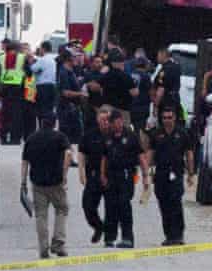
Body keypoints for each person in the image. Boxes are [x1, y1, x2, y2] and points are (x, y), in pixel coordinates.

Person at [21, 114, 72, 258]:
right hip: (56, 182)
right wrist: (64, 173)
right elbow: (68, 154)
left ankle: (43, 248)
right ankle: (58, 243)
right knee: (62, 209)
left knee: (41, 215)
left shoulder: (31, 138)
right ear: (55, 123)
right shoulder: (60, 137)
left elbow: (25, 162)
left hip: (37, 183)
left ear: (41, 123)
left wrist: (23, 182)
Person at [145, 106, 194, 246]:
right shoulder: (156, 134)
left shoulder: (183, 133)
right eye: (164, 118)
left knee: (175, 202)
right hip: (160, 174)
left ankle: (178, 235)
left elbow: (189, 154)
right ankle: (169, 235)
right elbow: (150, 153)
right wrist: (146, 172)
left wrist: (191, 174)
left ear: (175, 118)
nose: (167, 120)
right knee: (164, 204)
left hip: (176, 173)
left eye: (169, 117)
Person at [100, 110, 148, 248]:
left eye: (115, 121)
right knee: (110, 206)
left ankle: (127, 238)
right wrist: (102, 175)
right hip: (111, 176)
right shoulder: (107, 137)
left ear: (120, 121)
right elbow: (104, 157)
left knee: (124, 205)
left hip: (126, 175)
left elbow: (141, 157)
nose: (113, 125)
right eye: (111, 122)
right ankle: (110, 238)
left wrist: (145, 177)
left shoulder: (131, 136)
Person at [79, 105, 112, 244]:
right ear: (98, 119)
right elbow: (81, 153)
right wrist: (81, 173)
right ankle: (98, 227)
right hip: (94, 174)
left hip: (111, 175)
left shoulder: (116, 134)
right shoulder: (89, 135)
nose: (105, 122)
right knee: (88, 206)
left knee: (111, 207)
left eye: (107, 119)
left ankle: (110, 237)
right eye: (102, 119)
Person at [94, 50, 138, 130]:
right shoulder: (127, 77)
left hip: (107, 108)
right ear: (122, 63)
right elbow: (134, 93)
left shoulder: (106, 75)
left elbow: (96, 87)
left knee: (105, 131)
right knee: (122, 133)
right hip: (122, 111)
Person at [0, 41, 31, 144]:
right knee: (16, 115)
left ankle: (3, 138)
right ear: (17, 48)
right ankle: (15, 138)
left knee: (5, 114)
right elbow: (29, 72)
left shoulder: (1, 57)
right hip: (17, 87)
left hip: (4, 87)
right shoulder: (22, 57)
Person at [57, 51, 85, 155]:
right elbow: (65, 92)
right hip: (66, 109)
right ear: (68, 59)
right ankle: (65, 157)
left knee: (74, 136)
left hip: (73, 109)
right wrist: (81, 94)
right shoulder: (64, 73)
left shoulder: (71, 71)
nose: (77, 59)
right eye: (75, 57)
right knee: (66, 136)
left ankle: (69, 157)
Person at [32, 41, 59, 120]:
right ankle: (49, 127)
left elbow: (33, 69)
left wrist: (31, 62)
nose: (39, 50)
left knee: (42, 111)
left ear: (43, 49)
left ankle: (42, 129)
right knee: (49, 110)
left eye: (40, 48)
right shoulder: (53, 60)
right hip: (52, 87)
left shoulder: (42, 59)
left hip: (43, 87)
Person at [154, 47, 182, 121]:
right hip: (175, 101)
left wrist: (156, 106)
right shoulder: (176, 66)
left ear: (163, 55)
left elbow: (161, 89)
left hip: (166, 103)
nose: (157, 58)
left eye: (158, 55)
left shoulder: (165, 70)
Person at [130, 57, 153, 133]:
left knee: (131, 130)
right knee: (140, 132)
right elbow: (151, 92)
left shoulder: (131, 74)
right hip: (142, 108)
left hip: (131, 106)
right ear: (145, 65)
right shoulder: (146, 76)